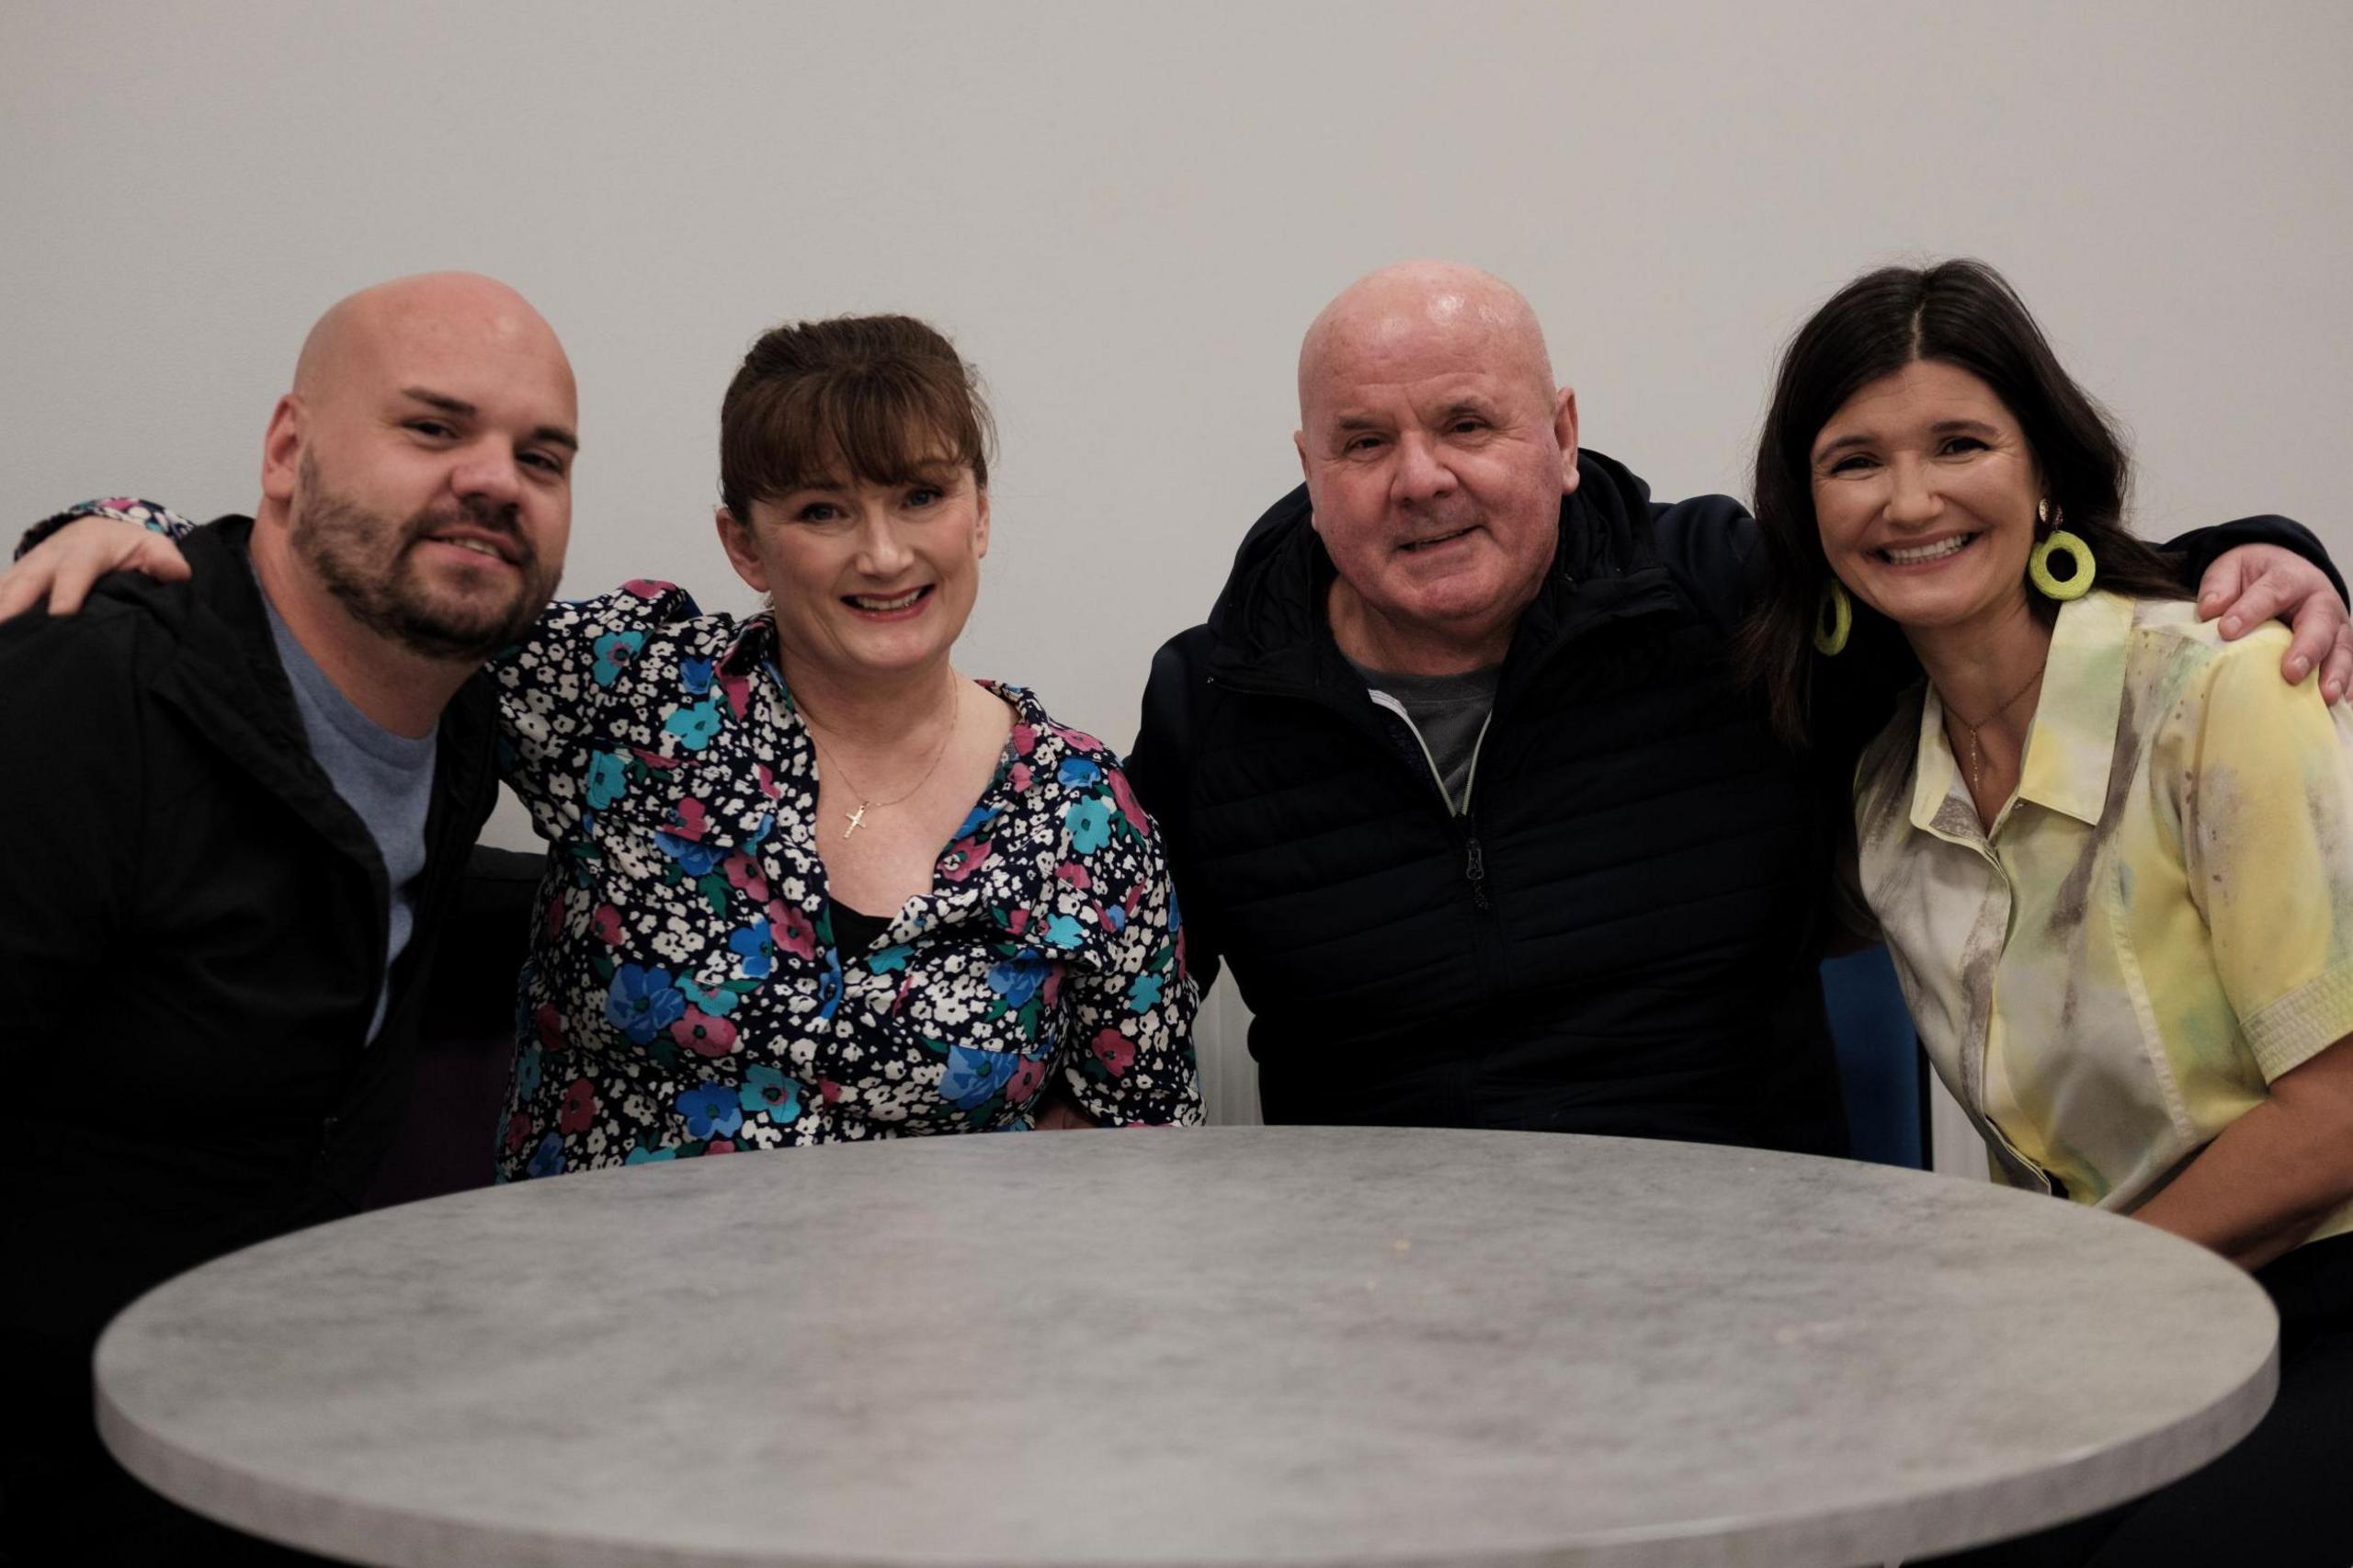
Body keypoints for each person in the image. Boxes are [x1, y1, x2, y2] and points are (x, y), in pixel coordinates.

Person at [1128, 260, 2349, 1151]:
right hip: (1373, 1321)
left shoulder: (1718, 600)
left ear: (1561, 436)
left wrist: (2260, 554)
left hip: (1744, 1299)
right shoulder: (1214, 704)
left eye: (1467, 423)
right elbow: (1102, 993)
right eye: (1363, 441)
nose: (1422, 478)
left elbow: (1964, 578)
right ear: (1309, 469)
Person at [15, 314, 1201, 1185]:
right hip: (593, 1349)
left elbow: (1139, 1137)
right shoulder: (629, 691)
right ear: (744, 543)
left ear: (980, 512)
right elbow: (371, 590)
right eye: (821, 511)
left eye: (921, 496)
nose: (883, 555)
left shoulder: (1085, 810)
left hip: (945, 1377)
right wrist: (126, 528)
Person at [1742, 258, 2353, 1568]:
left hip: (2319, 1292)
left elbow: (2343, 1113)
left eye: (1960, 443)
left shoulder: (2226, 690)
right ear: (1809, 510)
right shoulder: (1882, 799)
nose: (1910, 499)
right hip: (2132, 1325)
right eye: (1856, 461)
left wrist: (2076, 1298)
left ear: (2045, 474)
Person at [0, 272, 580, 1554]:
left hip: (265, 1465)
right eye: (434, 428)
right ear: (287, 451)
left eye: (541, 455)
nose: (495, 478)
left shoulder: (458, 729)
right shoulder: (89, 697)